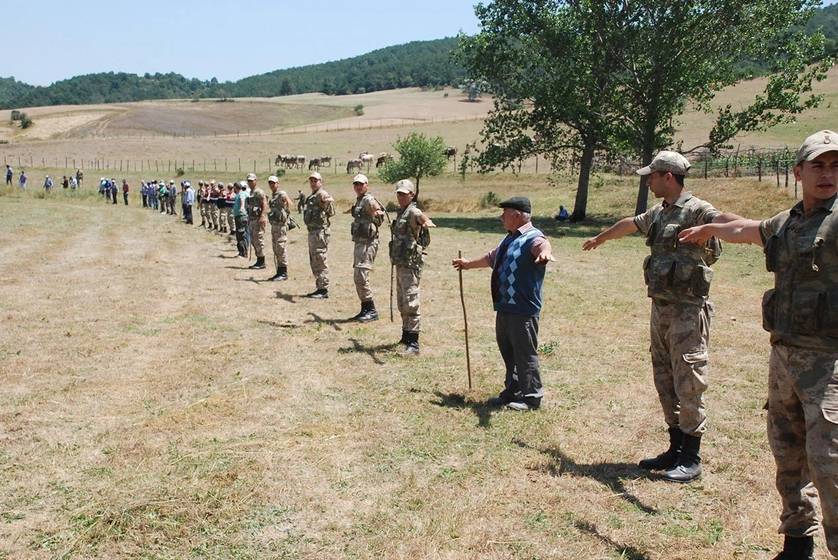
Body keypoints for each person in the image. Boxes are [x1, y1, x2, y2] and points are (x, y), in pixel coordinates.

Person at [678, 130, 838, 560]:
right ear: (799, 171)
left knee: (830, 468)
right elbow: (750, 230)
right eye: (819, 165)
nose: (828, 174)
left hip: (830, 366)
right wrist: (712, 226)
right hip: (784, 359)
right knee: (788, 456)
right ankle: (796, 545)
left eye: (836, 166)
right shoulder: (787, 223)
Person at [581, 150, 741, 483]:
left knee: (689, 379)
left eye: (652, 176)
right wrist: (601, 237)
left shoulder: (697, 210)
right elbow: (631, 223)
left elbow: (725, 222)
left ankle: (691, 457)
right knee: (664, 376)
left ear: (668, 176)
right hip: (661, 308)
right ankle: (675, 448)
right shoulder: (660, 212)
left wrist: (721, 228)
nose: (649, 181)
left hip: (688, 310)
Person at [453, 196, 552, 410]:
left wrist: (545, 254)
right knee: (509, 352)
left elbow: (543, 245)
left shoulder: (532, 237)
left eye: (504, 213)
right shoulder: (509, 238)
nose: (501, 217)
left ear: (516, 215)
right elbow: (491, 258)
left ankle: (532, 397)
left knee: (525, 353)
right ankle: (513, 391)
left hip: (523, 309)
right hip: (505, 307)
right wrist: (467, 264)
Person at [389, 179, 435, 353]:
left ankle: (414, 342)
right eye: (399, 194)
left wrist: (426, 221)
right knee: (402, 301)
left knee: (411, 300)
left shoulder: (413, 211)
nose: (400, 197)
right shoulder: (402, 212)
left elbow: (422, 219)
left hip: (410, 264)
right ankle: (406, 334)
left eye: (404, 194)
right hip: (401, 262)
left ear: (412, 195)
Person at [349, 173, 385, 321]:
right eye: (356, 184)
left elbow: (380, 216)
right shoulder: (359, 200)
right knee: (358, 275)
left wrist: (376, 215)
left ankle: (371, 310)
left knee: (361, 275)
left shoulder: (369, 200)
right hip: (360, 242)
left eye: (361, 184)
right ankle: (365, 308)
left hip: (368, 243)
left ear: (366, 185)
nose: (358, 187)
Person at [302, 171, 336, 298]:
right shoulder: (311, 196)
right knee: (314, 260)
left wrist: (325, 203)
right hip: (312, 232)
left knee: (320, 259)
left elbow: (331, 211)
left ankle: (323, 289)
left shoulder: (322, 194)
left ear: (320, 182)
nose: (313, 183)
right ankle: (319, 287)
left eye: (315, 180)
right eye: (311, 180)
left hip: (320, 232)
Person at [266, 175, 293, 281]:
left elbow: (290, 204)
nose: (272, 185)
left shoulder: (282, 193)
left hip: (281, 226)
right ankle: (279, 271)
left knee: (281, 248)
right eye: (270, 183)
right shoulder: (273, 196)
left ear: (278, 183)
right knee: (276, 248)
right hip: (274, 225)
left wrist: (286, 209)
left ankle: (284, 273)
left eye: (273, 183)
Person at [244, 173, 268, 269]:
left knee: (258, 239)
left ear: (255, 181)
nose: (250, 182)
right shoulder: (251, 192)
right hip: (252, 219)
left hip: (258, 219)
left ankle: (262, 261)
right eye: (248, 181)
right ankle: (258, 259)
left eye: (252, 180)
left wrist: (262, 216)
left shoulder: (259, 192)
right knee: (254, 240)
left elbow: (264, 203)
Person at [232, 182, 249, 258]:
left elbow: (242, 200)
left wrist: (242, 207)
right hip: (239, 216)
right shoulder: (240, 194)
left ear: (236, 187)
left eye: (234, 188)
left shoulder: (241, 194)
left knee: (240, 234)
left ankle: (243, 253)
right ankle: (241, 252)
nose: (233, 189)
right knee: (240, 234)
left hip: (241, 216)